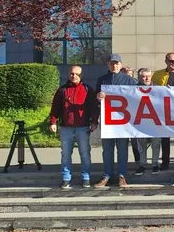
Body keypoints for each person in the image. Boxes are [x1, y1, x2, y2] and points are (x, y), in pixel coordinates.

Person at [93, 54, 138, 189]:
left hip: (123, 121)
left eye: (117, 63)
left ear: (121, 65)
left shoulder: (129, 80)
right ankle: (107, 175)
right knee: (107, 149)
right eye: (112, 63)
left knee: (122, 149)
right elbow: (95, 98)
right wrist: (98, 96)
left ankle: (121, 175)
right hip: (107, 120)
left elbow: (141, 93)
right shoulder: (102, 80)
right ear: (108, 64)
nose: (114, 66)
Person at [49, 65, 95, 189]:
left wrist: (94, 122)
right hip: (66, 127)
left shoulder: (87, 90)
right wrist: (53, 122)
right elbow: (55, 108)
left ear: (81, 75)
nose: (74, 76)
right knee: (65, 154)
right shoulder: (62, 90)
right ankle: (66, 178)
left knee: (85, 154)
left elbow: (93, 108)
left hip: (82, 127)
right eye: (72, 74)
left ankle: (86, 177)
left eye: (76, 74)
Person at [152, 53, 174, 170]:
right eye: (171, 61)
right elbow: (152, 90)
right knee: (165, 138)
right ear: (166, 61)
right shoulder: (157, 74)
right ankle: (165, 162)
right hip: (163, 109)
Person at [135, 68, 161, 176]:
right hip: (141, 120)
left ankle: (155, 164)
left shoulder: (158, 89)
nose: (146, 78)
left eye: (148, 76)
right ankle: (142, 164)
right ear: (139, 77)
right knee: (142, 143)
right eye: (144, 76)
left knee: (156, 143)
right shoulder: (133, 89)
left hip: (155, 120)